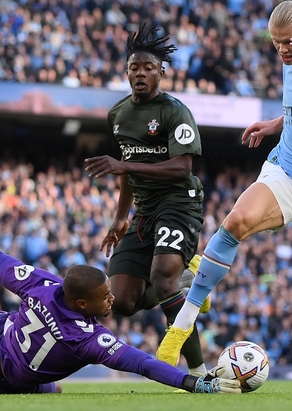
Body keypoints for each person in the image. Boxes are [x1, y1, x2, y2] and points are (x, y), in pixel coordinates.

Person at [157, 0, 292, 365]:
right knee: (236, 221)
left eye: (289, 43)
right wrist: (277, 124)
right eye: (276, 45)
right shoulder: (288, 60)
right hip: (287, 170)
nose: (283, 52)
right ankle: (180, 327)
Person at [0, 163, 240, 395]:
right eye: (105, 297)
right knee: (51, 391)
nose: (112, 299)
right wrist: (194, 383)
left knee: (4, 321)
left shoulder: (42, 284)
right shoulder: (86, 339)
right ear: (81, 303)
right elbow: (142, 363)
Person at [83, 23, 209, 377]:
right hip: (144, 209)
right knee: (119, 301)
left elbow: (183, 168)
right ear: (126, 73)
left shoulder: (174, 112)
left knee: (162, 278)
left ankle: (198, 373)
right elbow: (127, 173)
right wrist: (121, 216)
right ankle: (187, 277)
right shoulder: (118, 114)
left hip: (179, 201)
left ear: (161, 73)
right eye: (134, 68)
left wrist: (122, 164)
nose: (140, 73)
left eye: (148, 68)